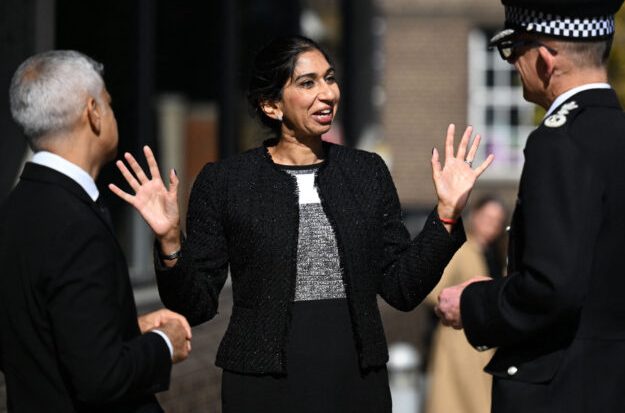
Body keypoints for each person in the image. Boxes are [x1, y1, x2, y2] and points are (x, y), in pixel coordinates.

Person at [110, 35, 493, 412]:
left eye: (329, 78)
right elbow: (195, 305)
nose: (327, 93)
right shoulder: (226, 182)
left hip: (356, 382)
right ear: (271, 105)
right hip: (262, 388)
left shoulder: (366, 172)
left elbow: (402, 288)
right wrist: (170, 242)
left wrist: (446, 214)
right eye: (307, 83)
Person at [435, 0, 625, 413]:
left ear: (546, 58)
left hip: (565, 390)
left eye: (514, 50)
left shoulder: (559, 141)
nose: (512, 65)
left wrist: (473, 304)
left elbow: (553, 288)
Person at [0, 50, 192, 412]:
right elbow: (101, 378)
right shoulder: (75, 225)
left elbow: (37, 335)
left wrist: (125, 328)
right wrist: (165, 343)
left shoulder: (14, 211)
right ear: (93, 112)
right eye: (109, 102)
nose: (111, 111)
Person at [423, 197, 507, 413]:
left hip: (485, 342)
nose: (492, 224)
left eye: (497, 220)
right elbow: (434, 291)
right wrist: (462, 302)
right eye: (488, 217)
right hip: (458, 341)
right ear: (475, 215)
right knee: (457, 401)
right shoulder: (461, 249)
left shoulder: (496, 254)